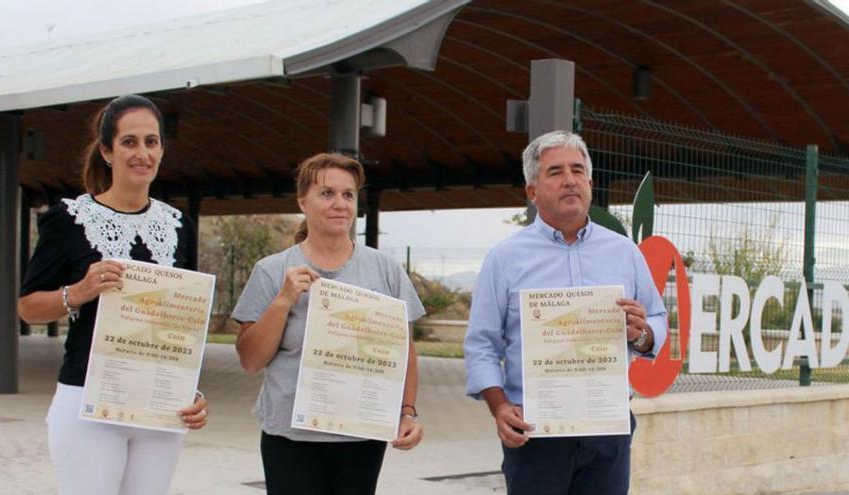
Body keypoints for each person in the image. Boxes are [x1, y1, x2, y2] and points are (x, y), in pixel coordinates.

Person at [17, 94, 209, 495]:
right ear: (106, 150)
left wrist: (191, 390)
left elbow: (184, 321)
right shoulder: (68, 220)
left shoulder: (179, 226)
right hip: (87, 402)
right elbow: (28, 307)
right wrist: (79, 291)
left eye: (151, 142)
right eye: (129, 142)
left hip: (159, 405)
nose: (142, 153)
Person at [463, 130, 667, 495]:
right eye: (555, 172)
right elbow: (481, 345)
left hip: (608, 430)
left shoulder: (625, 253)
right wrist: (499, 406)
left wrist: (642, 333)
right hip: (536, 434)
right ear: (532, 191)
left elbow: (657, 319)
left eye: (577, 170)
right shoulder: (504, 259)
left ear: (590, 183)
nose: (569, 180)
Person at [232, 152, 424, 495]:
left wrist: (408, 413)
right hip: (290, 436)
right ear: (303, 201)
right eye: (327, 193)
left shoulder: (386, 270)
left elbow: (405, 351)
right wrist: (283, 301)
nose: (340, 204)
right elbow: (250, 360)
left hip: (361, 433)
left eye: (348, 195)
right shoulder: (272, 270)